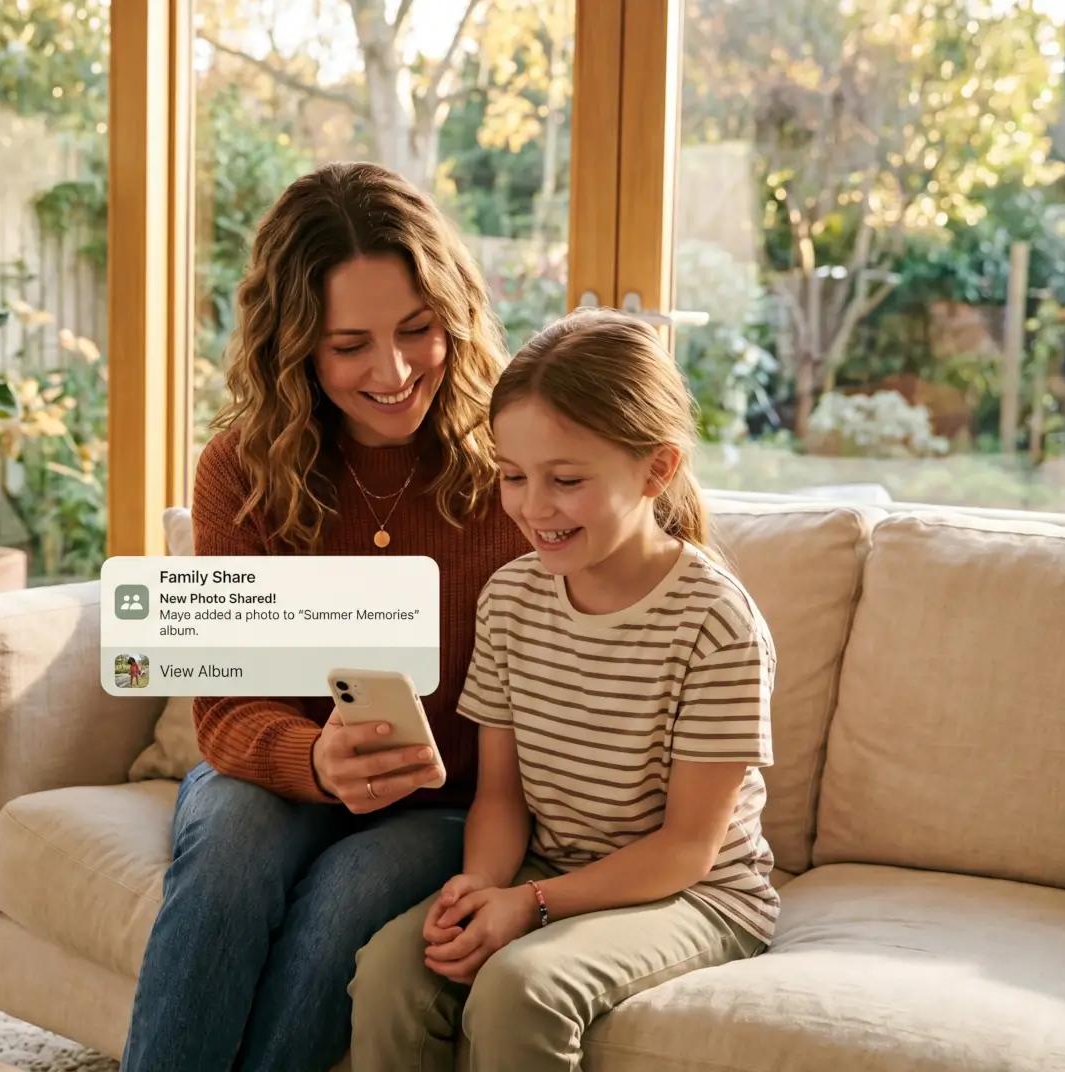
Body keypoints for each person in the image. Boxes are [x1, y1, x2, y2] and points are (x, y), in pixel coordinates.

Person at [120, 162, 528, 1072]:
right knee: (229, 840)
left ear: (452, 316)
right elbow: (226, 709)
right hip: (279, 780)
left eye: (418, 331)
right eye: (351, 346)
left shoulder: (518, 461)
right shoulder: (242, 469)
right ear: (294, 344)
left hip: (445, 804)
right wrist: (312, 759)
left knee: (352, 888)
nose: (393, 372)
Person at [348, 309, 780, 1071]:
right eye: (513, 477)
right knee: (391, 967)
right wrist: (478, 892)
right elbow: (502, 798)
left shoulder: (716, 624)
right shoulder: (512, 599)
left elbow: (687, 848)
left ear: (656, 469)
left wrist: (532, 905)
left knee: (522, 989)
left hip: (695, 895)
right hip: (544, 869)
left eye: (567, 480)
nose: (533, 507)